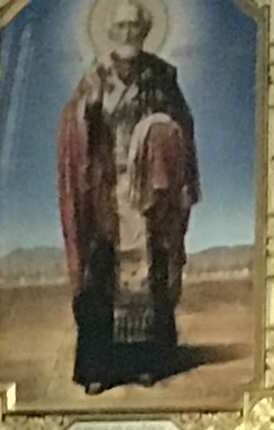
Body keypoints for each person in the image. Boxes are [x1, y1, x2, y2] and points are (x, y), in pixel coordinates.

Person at [55, 0, 202, 393]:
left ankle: (148, 363)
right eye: (120, 27)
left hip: (149, 191)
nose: (127, 33)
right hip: (106, 193)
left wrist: (161, 135)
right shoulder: (95, 76)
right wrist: (86, 112)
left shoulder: (162, 76)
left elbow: (182, 125)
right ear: (109, 31)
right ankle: (99, 369)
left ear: (146, 30)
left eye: (134, 26)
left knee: (152, 273)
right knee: (101, 273)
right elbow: (74, 128)